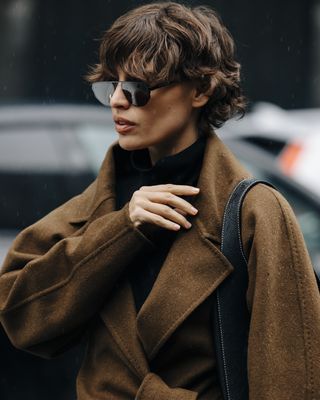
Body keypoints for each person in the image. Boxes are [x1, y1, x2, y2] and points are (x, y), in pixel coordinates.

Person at [0, 2, 319, 399]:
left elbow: (290, 381)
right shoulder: (99, 204)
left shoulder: (253, 213)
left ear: (200, 90)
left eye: (138, 88)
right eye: (111, 86)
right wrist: (121, 231)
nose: (118, 100)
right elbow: (21, 319)